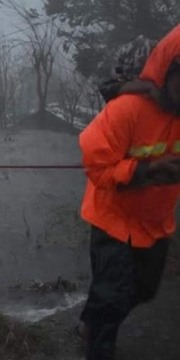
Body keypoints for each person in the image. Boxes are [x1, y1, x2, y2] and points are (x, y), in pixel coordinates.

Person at [79, 25, 180, 360]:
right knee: (112, 298)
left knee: (145, 290)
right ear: (168, 73)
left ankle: (93, 316)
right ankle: (97, 339)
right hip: (113, 219)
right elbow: (98, 167)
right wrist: (149, 170)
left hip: (155, 221)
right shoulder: (126, 110)